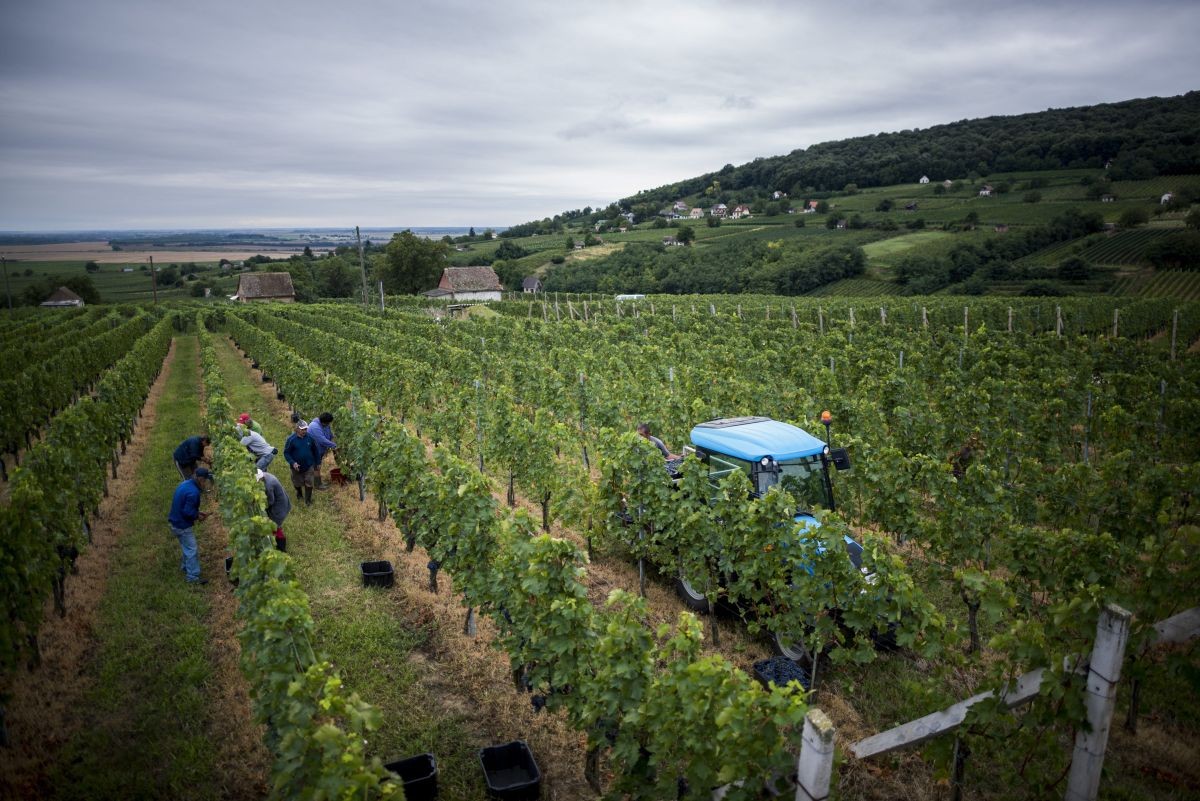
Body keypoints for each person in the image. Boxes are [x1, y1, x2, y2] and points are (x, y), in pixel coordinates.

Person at [168, 466, 211, 584]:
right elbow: (187, 512)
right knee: (192, 549)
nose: (206, 483)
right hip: (181, 525)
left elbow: (185, 506)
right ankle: (192, 578)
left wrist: (197, 512)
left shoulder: (186, 484)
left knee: (186, 546)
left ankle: (185, 567)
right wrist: (198, 516)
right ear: (201, 479)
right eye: (205, 481)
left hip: (174, 521)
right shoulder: (194, 492)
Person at [284, 419, 320, 506]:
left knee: (309, 482)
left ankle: (308, 501)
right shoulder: (291, 439)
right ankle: (299, 493)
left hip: (309, 465)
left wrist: (317, 462)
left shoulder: (310, 438)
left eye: (305, 429)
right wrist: (293, 463)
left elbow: (315, 451)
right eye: (302, 429)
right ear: (297, 429)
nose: (304, 431)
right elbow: (286, 453)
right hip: (296, 466)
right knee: (297, 482)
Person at [257, 468, 292, 552]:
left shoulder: (268, 485)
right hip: (281, 501)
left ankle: (282, 548)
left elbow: (270, 501)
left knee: (274, 526)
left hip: (279, 507)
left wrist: (261, 507)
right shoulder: (265, 475)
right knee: (275, 526)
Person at [308, 412, 337, 489]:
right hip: (314, 450)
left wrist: (334, 438)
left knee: (317, 466)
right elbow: (322, 440)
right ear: (323, 422)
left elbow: (330, 434)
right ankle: (317, 485)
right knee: (316, 466)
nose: (328, 425)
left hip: (320, 450)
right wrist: (334, 445)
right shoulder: (314, 426)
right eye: (327, 423)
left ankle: (317, 482)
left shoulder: (325, 425)